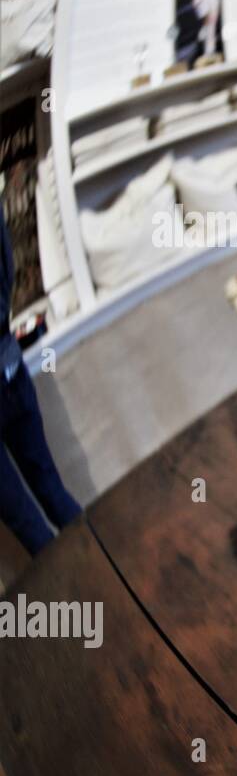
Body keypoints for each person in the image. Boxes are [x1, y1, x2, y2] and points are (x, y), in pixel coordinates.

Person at [0, 202, 81, 555]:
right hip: (8, 367)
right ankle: (107, 583)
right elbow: (6, 269)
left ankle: (83, 602)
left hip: (8, 366)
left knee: (25, 519)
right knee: (49, 485)